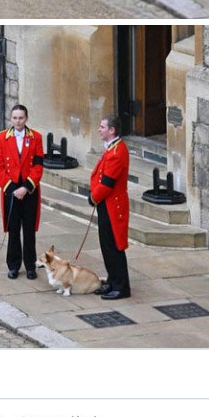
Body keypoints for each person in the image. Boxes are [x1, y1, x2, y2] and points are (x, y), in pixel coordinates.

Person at [0, 104, 44, 279]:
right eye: (15, 118)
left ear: (26, 118)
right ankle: (13, 265)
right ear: (11, 118)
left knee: (29, 230)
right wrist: (12, 188)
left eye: (21, 118)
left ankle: (30, 266)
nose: (18, 121)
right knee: (13, 230)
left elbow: (38, 166)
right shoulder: (2, 138)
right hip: (11, 190)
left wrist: (26, 188)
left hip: (29, 191)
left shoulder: (36, 137)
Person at [89, 115, 130, 300]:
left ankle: (121, 287)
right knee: (106, 245)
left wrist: (93, 197)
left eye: (102, 127)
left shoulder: (116, 152)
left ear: (111, 130)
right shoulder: (111, 149)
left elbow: (107, 183)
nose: (99, 129)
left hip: (113, 205)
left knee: (114, 247)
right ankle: (113, 281)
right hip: (107, 203)